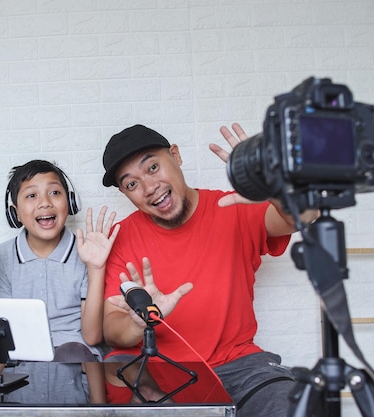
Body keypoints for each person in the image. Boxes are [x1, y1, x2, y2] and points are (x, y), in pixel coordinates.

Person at [100, 124, 318, 417]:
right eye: (131, 184)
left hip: (238, 366)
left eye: (152, 167)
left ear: (175, 155)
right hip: (155, 368)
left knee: (292, 404)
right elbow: (112, 329)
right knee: (116, 378)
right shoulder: (121, 235)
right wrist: (140, 322)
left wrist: (278, 188)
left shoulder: (233, 206)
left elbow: (305, 215)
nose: (149, 188)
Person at [0, 160, 119, 396]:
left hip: (73, 357)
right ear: (15, 212)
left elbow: (92, 336)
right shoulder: (2, 257)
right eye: (32, 196)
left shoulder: (87, 252)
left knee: (68, 355)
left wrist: (95, 268)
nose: (45, 202)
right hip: (16, 355)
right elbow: (0, 336)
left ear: (70, 202)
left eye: (55, 192)